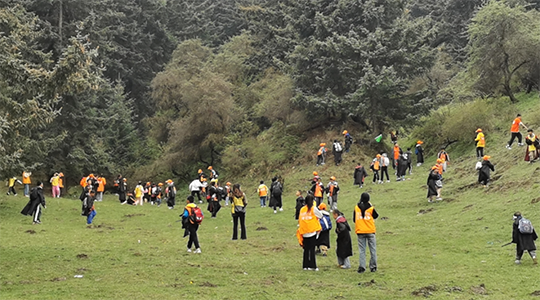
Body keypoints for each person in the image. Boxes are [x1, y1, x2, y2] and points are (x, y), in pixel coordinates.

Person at [353, 192, 379, 273]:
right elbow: (376, 216)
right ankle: (373, 266)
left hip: (360, 231)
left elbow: (354, 220)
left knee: (362, 250)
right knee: (373, 249)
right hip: (370, 231)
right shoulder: (371, 208)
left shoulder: (356, 207)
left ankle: (362, 267)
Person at [296, 194, 323, 271]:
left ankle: (305, 265)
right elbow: (320, 215)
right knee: (312, 249)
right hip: (312, 232)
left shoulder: (302, 209)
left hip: (304, 232)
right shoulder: (313, 209)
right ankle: (313, 265)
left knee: (306, 249)